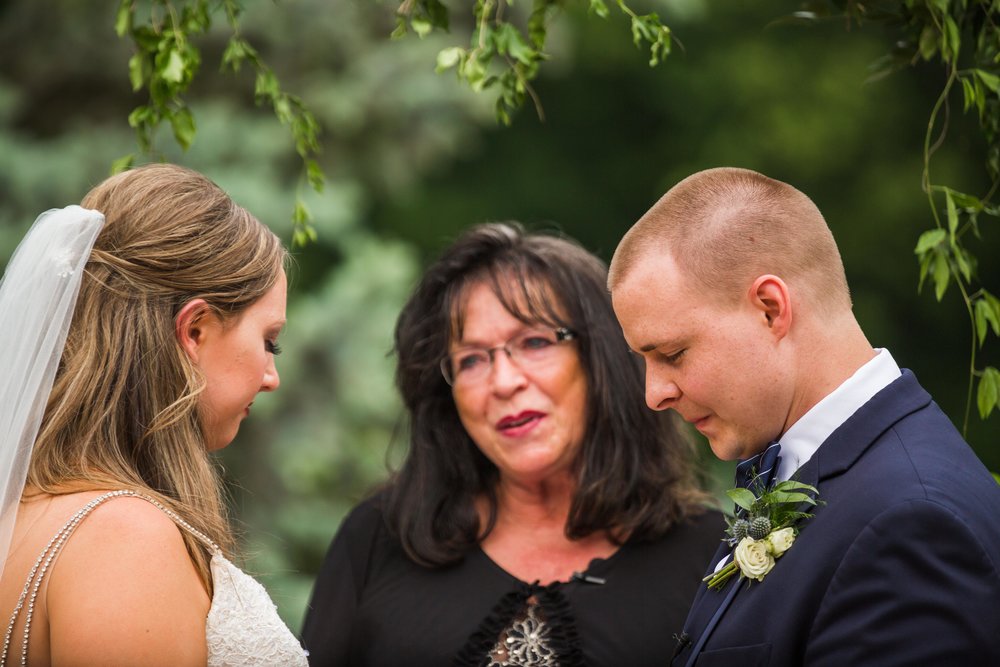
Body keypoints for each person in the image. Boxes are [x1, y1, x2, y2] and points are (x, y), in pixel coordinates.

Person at [607, 166, 1000, 666]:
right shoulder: (817, 471)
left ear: (771, 309)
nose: (654, 395)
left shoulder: (910, 523)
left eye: (673, 353)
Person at [301, 222, 721, 666]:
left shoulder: (710, 557)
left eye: (535, 342)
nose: (503, 382)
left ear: (602, 360)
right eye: (472, 360)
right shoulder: (379, 539)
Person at [0, 163, 308, 666]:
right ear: (195, 330)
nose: (272, 376)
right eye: (269, 341)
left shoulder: (23, 514)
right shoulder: (124, 539)